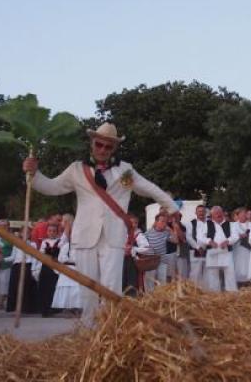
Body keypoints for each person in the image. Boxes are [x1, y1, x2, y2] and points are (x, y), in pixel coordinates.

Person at [23, 123, 178, 323]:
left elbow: (149, 188)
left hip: (114, 237)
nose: (103, 150)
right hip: (84, 236)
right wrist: (34, 174)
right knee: (86, 287)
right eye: (99, 144)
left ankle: (109, 328)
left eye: (108, 146)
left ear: (114, 148)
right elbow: (52, 187)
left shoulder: (125, 171)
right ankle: (88, 330)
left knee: (111, 288)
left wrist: (172, 208)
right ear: (92, 143)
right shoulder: (77, 169)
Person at [200, 206, 239, 292]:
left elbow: (235, 236)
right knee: (213, 274)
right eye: (216, 213)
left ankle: (231, 292)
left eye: (220, 212)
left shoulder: (230, 224)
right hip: (212, 252)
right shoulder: (206, 224)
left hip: (226, 252)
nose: (218, 214)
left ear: (223, 213)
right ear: (212, 215)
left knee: (230, 272)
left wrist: (227, 241)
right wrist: (209, 241)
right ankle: (214, 292)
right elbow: (200, 237)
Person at [52, 215, 81, 317]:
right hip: (66, 263)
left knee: (76, 287)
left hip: (76, 263)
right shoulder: (64, 237)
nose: (61, 224)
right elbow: (59, 245)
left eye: (63, 221)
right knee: (66, 286)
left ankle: (77, 308)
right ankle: (68, 308)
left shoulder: (76, 231)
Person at [32, 224, 62, 316]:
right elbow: (41, 254)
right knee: (44, 288)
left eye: (54, 231)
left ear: (57, 232)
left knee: (53, 288)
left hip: (55, 267)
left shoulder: (60, 242)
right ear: (47, 232)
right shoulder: (44, 242)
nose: (51, 233)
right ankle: (44, 309)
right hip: (45, 267)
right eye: (50, 231)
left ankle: (52, 309)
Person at [186, 205, 209, 287]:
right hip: (195, 250)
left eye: (203, 211)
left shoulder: (210, 223)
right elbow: (189, 237)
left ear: (206, 212)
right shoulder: (191, 223)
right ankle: (194, 290)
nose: (201, 213)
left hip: (208, 251)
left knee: (207, 272)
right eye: (199, 211)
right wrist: (198, 247)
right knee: (195, 272)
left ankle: (207, 290)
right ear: (196, 213)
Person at [231, 207, 251, 286]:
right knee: (238, 265)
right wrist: (239, 236)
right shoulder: (233, 225)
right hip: (238, 248)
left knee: (248, 264)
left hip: (249, 248)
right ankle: (238, 282)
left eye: (245, 213)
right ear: (238, 215)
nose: (244, 215)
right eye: (241, 214)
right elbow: (232, 236)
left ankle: (248, 281)